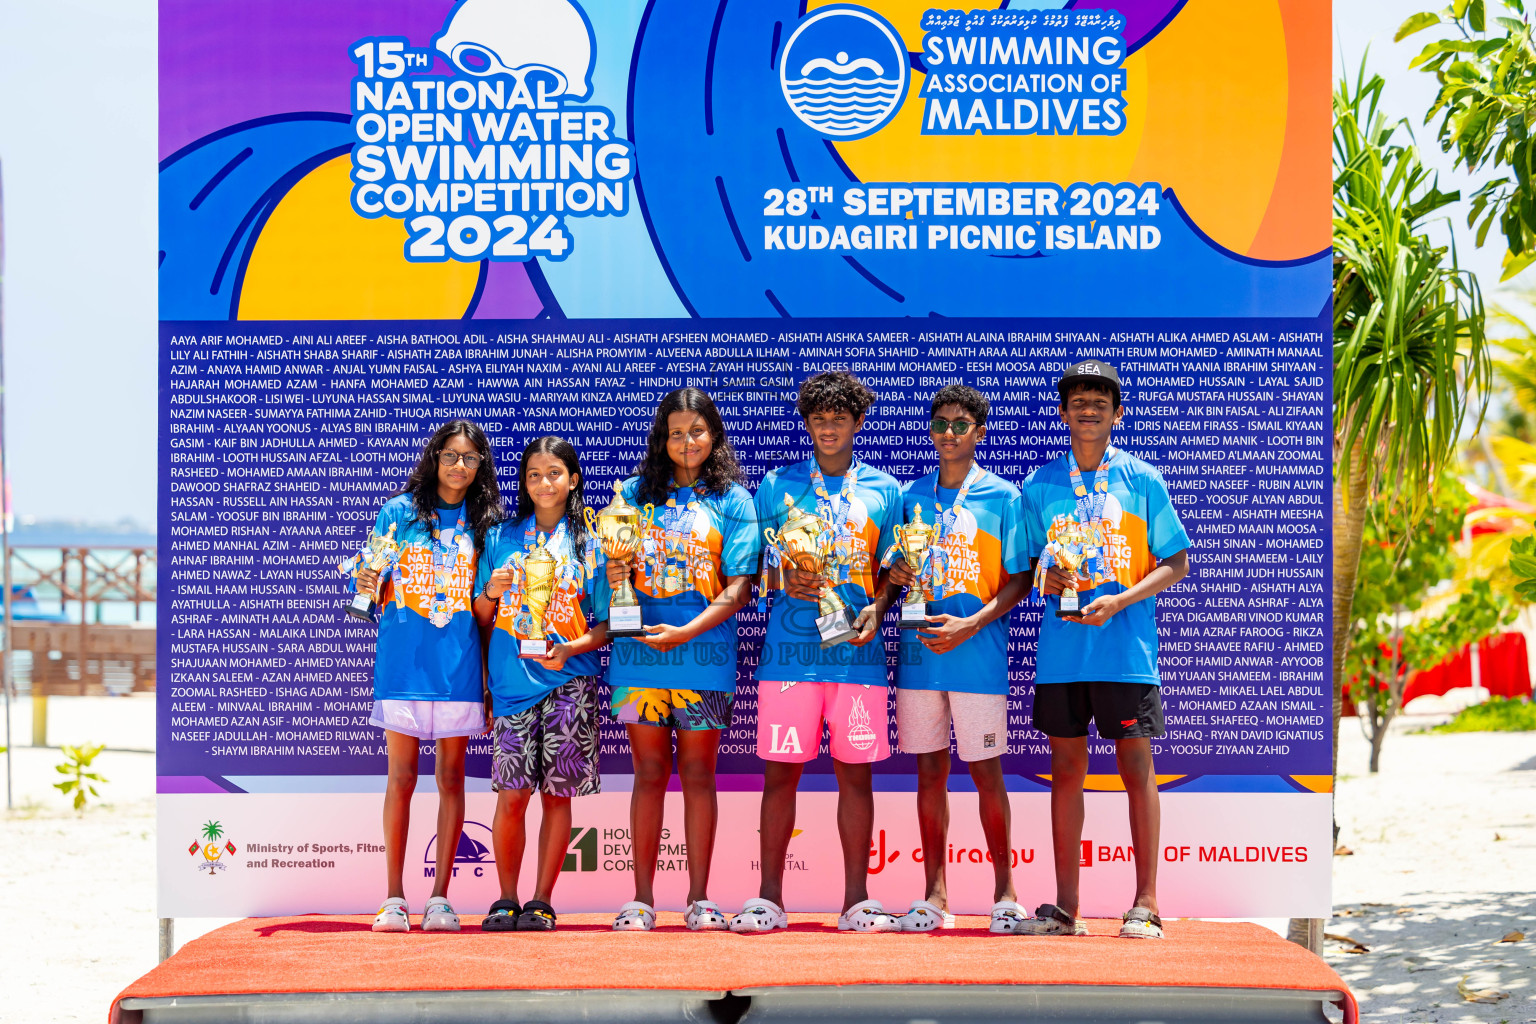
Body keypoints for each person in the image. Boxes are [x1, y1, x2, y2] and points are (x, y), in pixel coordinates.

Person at [1019, 360, 1189, 939]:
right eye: (1077, 400)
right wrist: (1048, 581)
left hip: (1125, 650)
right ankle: (1067, 907)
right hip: (1063, 653)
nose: (1087, 408)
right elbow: (1027, 570)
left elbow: (1176, 561)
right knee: (1065, 771)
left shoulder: (1143, 479)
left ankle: (1146, 903)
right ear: (1063, 413)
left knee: (1136, 769)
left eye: (1099, 400)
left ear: (1117, 413)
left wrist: (1120, 601)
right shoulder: (1040, 485)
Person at [731, 370, 904, 935]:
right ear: (807, 423)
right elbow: (754, 569)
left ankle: (857, 900)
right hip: (789, 657)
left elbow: (896, 572)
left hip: (858, 658)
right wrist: (784, 576)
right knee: (780, 777)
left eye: (839, 418)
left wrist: (880, 607)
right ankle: (769, 900)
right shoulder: (776, 486)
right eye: (818, 418)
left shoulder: (886, 490)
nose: (828, 428)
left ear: (857, 422)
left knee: (856, 779)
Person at [605, 388, 761, 932]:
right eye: (675, 432)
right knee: (648, 773)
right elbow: (612, 572)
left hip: (704, 657)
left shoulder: (735, 501)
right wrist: (616, 579)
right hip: (640, 655)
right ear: (662, 438)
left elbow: (741, 586)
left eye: (696, 430)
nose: (686, 441)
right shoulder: (630, 494)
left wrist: (688, 631)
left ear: (712, 435)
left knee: (698, 772)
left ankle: (699, 899)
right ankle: (641, 899)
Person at [877, 385, 1032, 934]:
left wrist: (972, 622)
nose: (949, 433)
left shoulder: (1004, 498)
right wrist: (893, 579)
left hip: (977, 659)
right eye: (940, 423)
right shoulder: (909, 496)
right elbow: (891, 577)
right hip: (919, 660)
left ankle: (1005, 892)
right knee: (928, 775)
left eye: (960, 424)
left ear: (979, 431)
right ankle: (934, 895)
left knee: (987, 775)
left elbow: (1018, 581)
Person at [356, 420, 505, 934]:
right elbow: (373, 583)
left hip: (459, 665)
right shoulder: (399, 512)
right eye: (450, 456)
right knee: (400, 779)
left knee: (451, 778)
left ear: (480, 465)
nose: (459, 466)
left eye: (469, 458)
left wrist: (486, 679)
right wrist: (366, 579)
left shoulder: (487, 524)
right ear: (434, 457)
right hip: (403, 665)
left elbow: (488, 609)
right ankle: (393, 896)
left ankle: (441, 897)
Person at [473, 436, 609, 933]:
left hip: (568, 683)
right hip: (511, 685)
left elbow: (609, 621)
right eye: (534, 474)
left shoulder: (590, 541)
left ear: (572, 480)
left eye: (554, 473)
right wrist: (491, 590)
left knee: (557, 796)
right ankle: (505, 898)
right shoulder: (502, 537)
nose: (543, 482)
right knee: (511, 795)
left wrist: (572, 649)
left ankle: (541, 900)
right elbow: (480, 616)